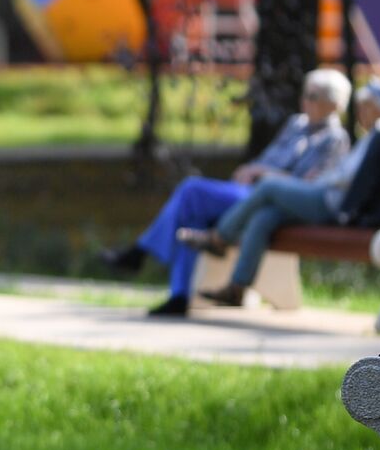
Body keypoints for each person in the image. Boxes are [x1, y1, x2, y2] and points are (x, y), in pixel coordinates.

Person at [99, 69, 351, 317]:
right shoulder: (296, 124)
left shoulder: (335, 139)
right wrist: (251, 168)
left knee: (191, 189)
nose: (305, 100)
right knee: (191, 215)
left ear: (335, 104)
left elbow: (308, 185)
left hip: (267, 196)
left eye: (313, 96)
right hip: (248, 191)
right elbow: (267, 159)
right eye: (305, 94)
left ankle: (141, 253)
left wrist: (261, 173)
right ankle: (179, 296)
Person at [182, 77, 380, 308]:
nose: (362, 113)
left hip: (332, 203)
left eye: (368, 107)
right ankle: (237, 289)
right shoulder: (375, 136)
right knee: (265, 217)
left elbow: (352, 182)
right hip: (326, 196)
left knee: (268, 187)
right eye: (362, 107)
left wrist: (326, 183)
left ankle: (219, 237)